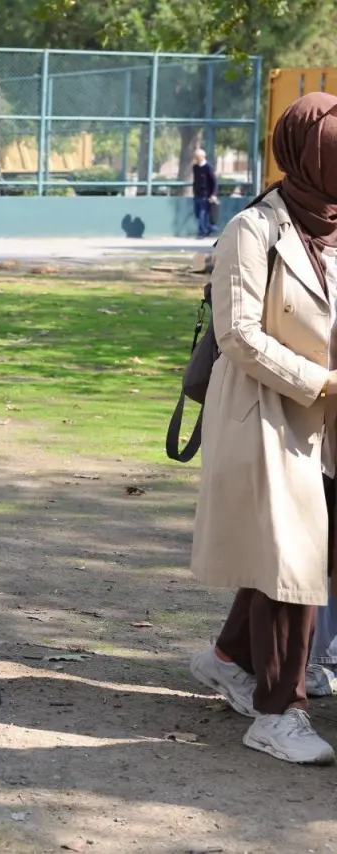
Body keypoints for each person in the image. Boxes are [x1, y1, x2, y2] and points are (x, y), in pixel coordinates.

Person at [187, 92, 337, 765]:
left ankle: (227, 657)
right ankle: (279, 712)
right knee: (294, 562)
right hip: (269, 412)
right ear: (307, 153)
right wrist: (320, 381)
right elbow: (239, 334)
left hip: (326, 418)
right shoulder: (254, 229)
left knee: (306, 554)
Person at [193, 148, 218, 239]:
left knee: (202, 214)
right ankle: (211, 228)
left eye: (198, 157)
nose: (196, 158)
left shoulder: (208, 168)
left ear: (202, 157)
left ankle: (201, 233)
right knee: (197, 214)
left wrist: (213, 194)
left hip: (206, 195)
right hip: (197, 194)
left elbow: (214, 182)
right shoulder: (195, 167)